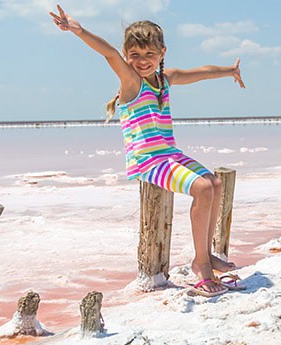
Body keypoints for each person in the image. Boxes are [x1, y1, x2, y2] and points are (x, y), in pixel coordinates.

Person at [50, 5, 246, 297]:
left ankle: (206, 254)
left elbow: (200, 74)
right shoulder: (131, 82)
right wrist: (78, 30)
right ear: (128, 56)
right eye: (136, 56)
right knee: (203, 188)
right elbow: (108, 53)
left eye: (149, 55)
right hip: (147, 161)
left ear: (162, 53)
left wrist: (230, 70)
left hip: (169, 154)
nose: (142, 61)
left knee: (215, 183)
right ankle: (202, 266)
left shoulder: (165, 80)